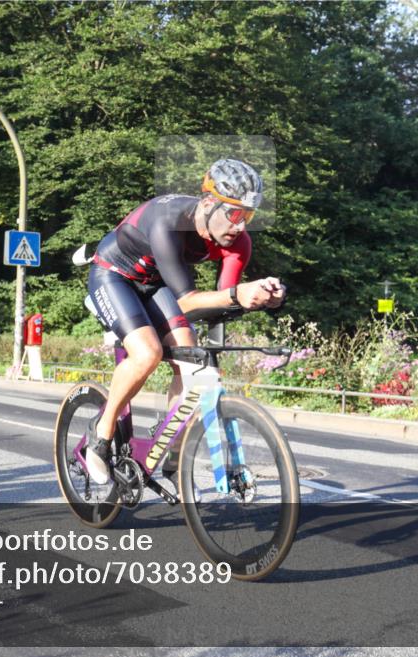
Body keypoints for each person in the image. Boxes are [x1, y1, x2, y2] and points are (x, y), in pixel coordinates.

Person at [84, 158, 286, 486]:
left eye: (248, 216)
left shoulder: (238, 243)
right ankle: (101, 432)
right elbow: (188, 299)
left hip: (154, 282)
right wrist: (238, 294)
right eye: (234, 214)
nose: (241, 226)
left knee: (189, 357)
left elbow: (222, 300)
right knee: (147, 353)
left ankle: (172, 446)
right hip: (114, 274)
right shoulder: (169, 221)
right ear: (208, 203)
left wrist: (268, 297)